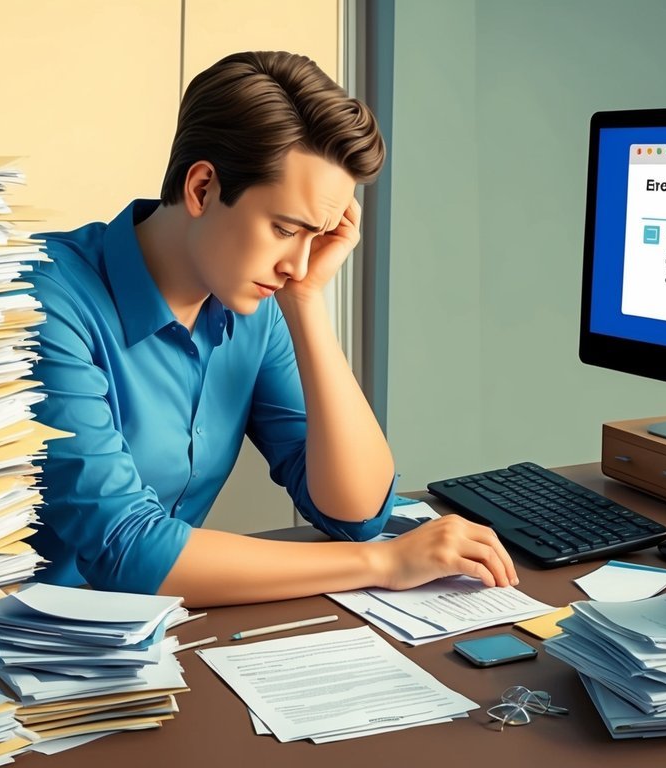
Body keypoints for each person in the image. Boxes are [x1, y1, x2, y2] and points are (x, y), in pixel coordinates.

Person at [28, 51, 516, 605]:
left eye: (319, 236)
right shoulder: (45, 301)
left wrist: (307, 304)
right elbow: (128, 551)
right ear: (203, 187)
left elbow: (354, 513)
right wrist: (384, 562)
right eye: (285, 228)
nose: (298, 264)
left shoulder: (255, 307)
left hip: (149, 643)